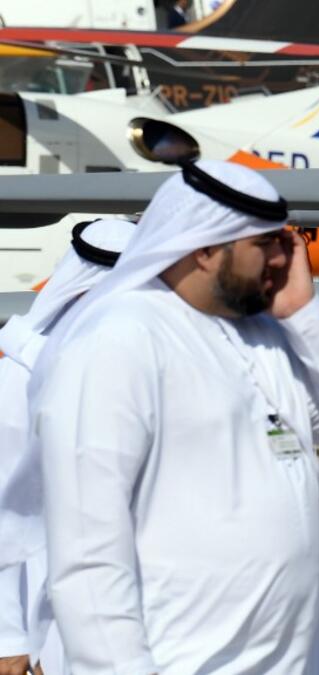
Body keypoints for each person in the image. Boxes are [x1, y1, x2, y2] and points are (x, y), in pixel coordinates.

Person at [29, 160, 319, 674]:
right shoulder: (121, 341)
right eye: (265, 245)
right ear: (204, 248)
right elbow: (88, 552)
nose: (284, 257)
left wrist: (307, 315)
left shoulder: (266, 334)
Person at [0, 219, 137, 675]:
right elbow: (4, 513)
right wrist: (10, 637)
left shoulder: (144, 370)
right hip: (55, 614)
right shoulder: (18, 377)